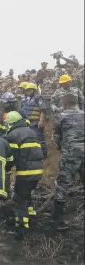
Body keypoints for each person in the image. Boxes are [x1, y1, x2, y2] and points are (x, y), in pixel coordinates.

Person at [4, 111, 44, 240]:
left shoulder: (12, 135)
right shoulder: (31, 131)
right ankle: (32, 217)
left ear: (10, 123)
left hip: (25, 172)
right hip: (38, 171)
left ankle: (21, 228)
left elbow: (11, 157)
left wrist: (5, 169)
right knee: (27, 194)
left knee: (19, 198)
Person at [52, 94, 85, 231]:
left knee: (63, 186)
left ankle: (58, 220)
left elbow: (56, 138)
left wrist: (63, 149)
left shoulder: (61, 116)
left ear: (64, 104)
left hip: (70, 155)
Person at [21, 83, 48, 158]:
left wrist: (41, 120)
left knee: (39, 137)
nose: (28, 92)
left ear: (34, 90)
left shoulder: (38, 98)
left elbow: (43, 109)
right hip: (29, 122)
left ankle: (44, 153)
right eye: (27, 90)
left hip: (36, 122)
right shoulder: (27, 99)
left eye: (29, 90)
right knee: (30, 138)